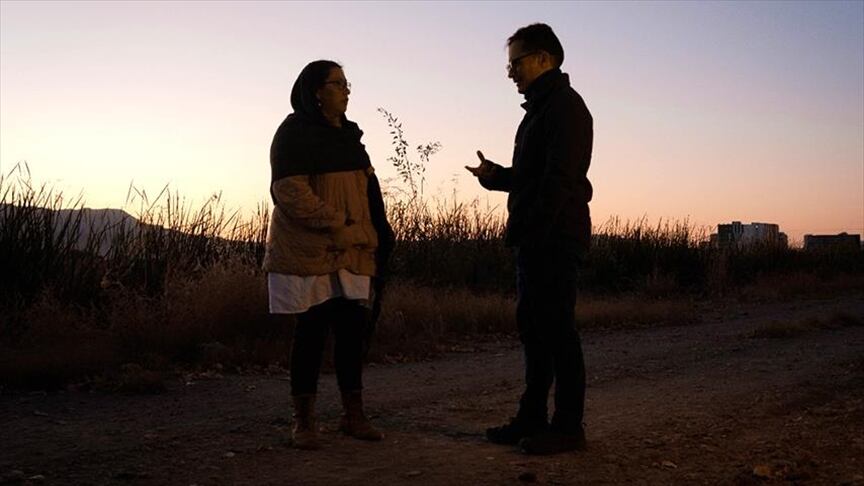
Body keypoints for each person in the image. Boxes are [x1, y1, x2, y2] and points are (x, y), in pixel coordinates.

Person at [466, 23, 593, 455]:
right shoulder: (539, 110)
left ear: (544, 58)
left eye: (515, 63)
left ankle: (568, 427)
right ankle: (532, 417)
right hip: (535, 238)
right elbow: (532, 178)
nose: (510, 72)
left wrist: (535, 233)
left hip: (553, 240)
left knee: (557, 332)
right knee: (535, 332)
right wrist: (496, 176)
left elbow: (559, 181)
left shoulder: (566, 109)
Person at [264, 60, 395, 450]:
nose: (346, 90)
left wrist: (377, 233)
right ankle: (303, 421)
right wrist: (339, 223)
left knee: (352, 332)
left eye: (346, 83)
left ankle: (353, 415)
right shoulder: (294, 134)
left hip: (354, 250)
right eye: (338, 83)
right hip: (314, 250)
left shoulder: (349, 138)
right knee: (312, 331)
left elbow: (366, 190)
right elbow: (289, 192)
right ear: (316, 90)